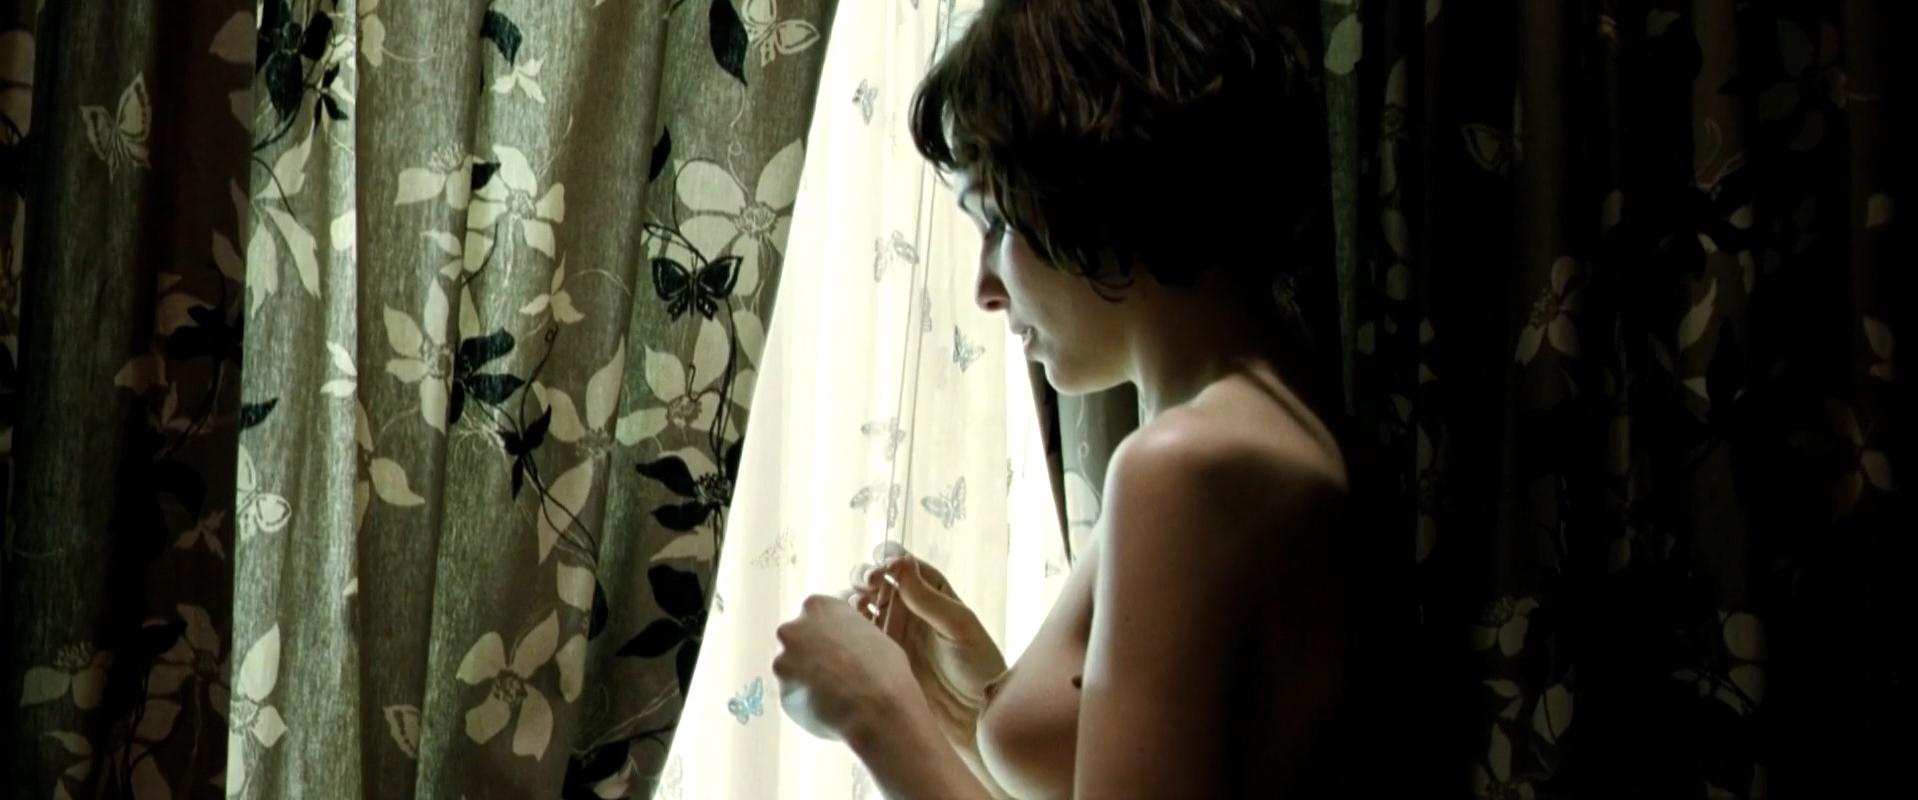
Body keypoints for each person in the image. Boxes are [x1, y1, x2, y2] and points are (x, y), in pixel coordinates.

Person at [771, 1, 1380, 796]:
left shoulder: (1183, 468)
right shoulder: (1278, 414)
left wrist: (874, 709)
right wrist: (967, 707)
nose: (986, 289)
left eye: (996, 222)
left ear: (1096, 182)